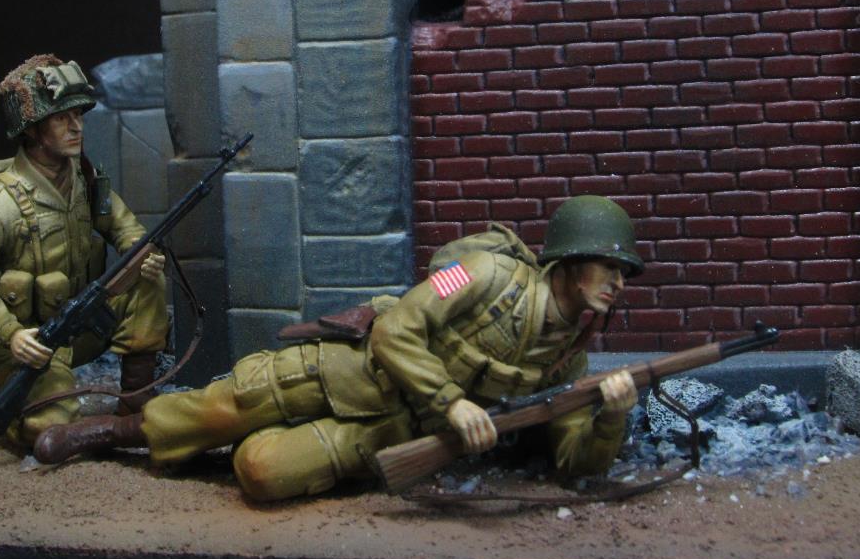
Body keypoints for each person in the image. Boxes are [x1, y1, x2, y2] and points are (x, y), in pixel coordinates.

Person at [35, 195, 642, 502]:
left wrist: (610, 418)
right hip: (352, 370)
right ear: (570, 263)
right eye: (608, 267)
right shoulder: (480, 272)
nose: (618, 282)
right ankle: (114, 433)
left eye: (622, 272)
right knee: (227, 404)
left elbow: (574, 463)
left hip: (390, 432)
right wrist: (452, 401)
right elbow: (398, 328)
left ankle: (222, 449)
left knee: (260, 473)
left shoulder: (566, 359)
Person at [0, 54, 168, 450]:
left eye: (78, 116)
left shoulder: (86, 182)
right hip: (32, 343)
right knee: (50, 429)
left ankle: (136, 397)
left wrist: (144, 255)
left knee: (146, 278)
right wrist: (12, 335)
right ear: (33, 130)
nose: (77, 127)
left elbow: (126, 229)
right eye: (61, 119)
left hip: (82, 324)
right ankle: (10, 407)